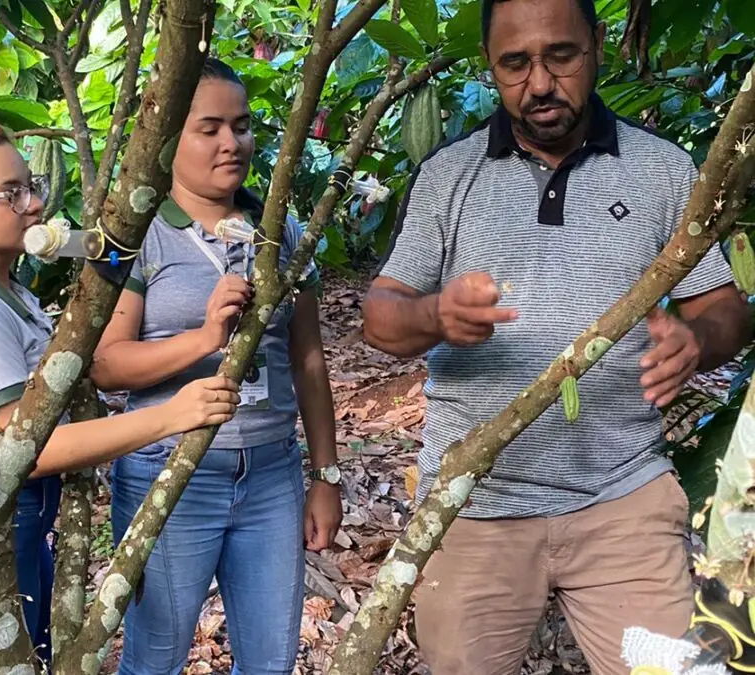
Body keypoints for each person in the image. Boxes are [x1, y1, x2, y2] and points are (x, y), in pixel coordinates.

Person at [361, 0, 752, 672]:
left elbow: (724, 307)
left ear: (598, 45)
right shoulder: (449, 176)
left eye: (560, 56)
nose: (539, 83)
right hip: (474, 506)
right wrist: (433, 316)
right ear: (490, 66)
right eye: (515, 64)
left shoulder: (660, 169)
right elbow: (380, 314)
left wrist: (699, 342)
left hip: (623, 498)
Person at [0, 116, 241, 674]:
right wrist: (170, 417)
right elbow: (21, 448)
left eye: (33, 187)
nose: (32, 205)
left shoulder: (5, 290)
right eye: (12, 192)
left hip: (13, 516)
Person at [91, 58, 342, 675]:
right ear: (170, 136)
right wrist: (205, 337)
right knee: (155, 656)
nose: (232, 143)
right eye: (209, 128)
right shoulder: (137, 234)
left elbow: (307, 360)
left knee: (270, 658)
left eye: (243, 125)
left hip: (270, 475)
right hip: (170, 471)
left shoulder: (277, 231)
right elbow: (104, 364)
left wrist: (326, 474)